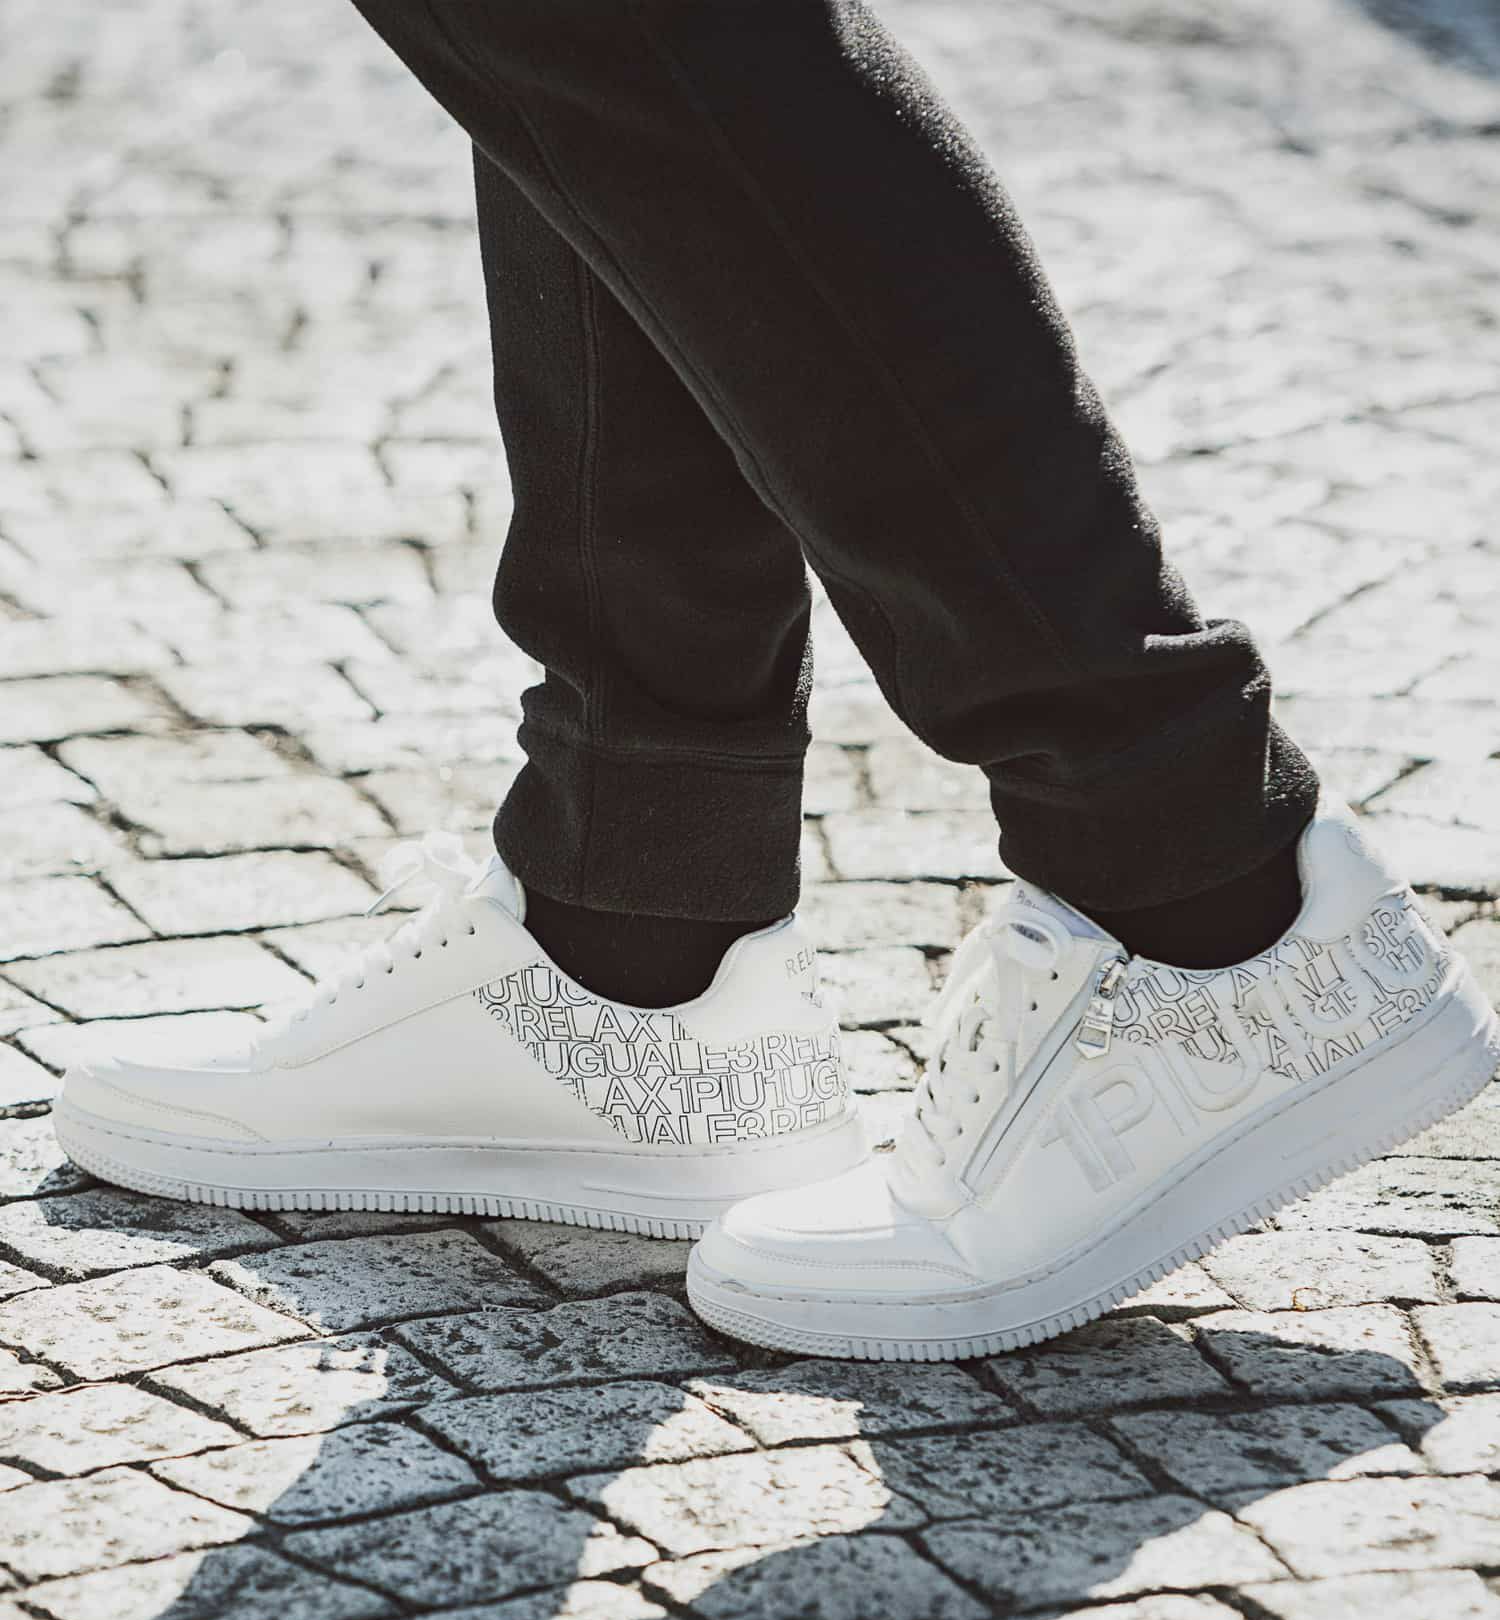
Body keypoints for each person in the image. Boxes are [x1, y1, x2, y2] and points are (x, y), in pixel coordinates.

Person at [51, 0, 1498, 1360]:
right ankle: (630, 929)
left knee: (640, 25)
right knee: (583, 41)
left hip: (1197, 895)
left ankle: (1198, 890)